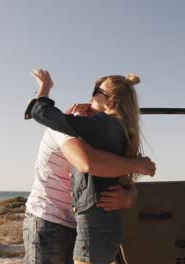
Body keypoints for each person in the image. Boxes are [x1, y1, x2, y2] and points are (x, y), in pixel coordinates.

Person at [24, 69, 155, 264]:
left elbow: (119, 178)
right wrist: (137, 165)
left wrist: (128, 197)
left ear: (109, 102)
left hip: (84, 224)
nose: (91, 94)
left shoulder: (101, 128)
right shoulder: (83, 122)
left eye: (96, 91)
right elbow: (87, 162)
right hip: (51, 220)